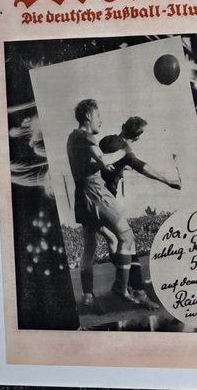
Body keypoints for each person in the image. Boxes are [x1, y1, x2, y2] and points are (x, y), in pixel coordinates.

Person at [67, 99, 143, 310]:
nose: (101, 120)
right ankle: (121, 287)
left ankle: (88, 296)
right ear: (89, 116)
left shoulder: (72, 138)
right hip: (98, 196)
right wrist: (124, 151)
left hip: (81, 198)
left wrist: (100, 164)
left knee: (91, 246)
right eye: (98, 116)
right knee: (126, 236)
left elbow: (89, 163)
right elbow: (102, 160)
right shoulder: (85, 135)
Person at [97, 116, 180, 307]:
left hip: (91, 197)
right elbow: (143, 167)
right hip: (105, 200)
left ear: (122, 127)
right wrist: (167, 181)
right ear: (138, 138)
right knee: (127, 241)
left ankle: (125, 286)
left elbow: (106, 160)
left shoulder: (106, 140)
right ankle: (136, 290)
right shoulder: (124, 150)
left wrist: (120, 166)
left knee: (113, 240)